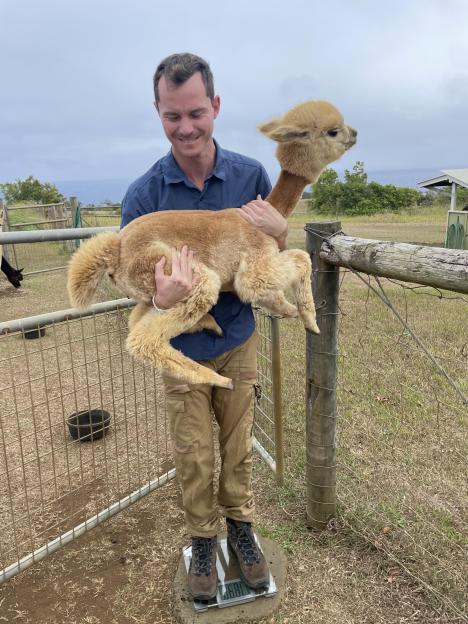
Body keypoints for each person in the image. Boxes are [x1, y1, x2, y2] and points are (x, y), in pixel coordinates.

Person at [121, 52, 288, 601]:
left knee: (237, 440)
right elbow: (132, 281)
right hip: (182, 349)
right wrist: (157, 294)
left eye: (196, 112)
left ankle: (240, 527)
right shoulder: (144, 197)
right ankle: (201, 538)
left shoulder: (250, 176)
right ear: (158, 114)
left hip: (237, 335)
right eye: (173, 116)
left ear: (215, 106)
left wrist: (283, 230)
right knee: (193, 449)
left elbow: (270, 252)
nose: (186, 127)